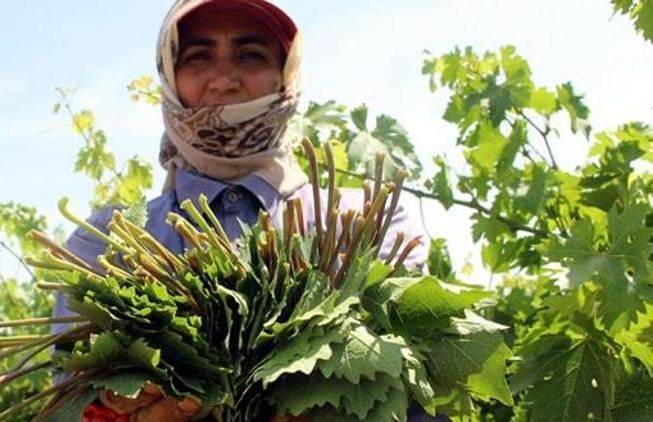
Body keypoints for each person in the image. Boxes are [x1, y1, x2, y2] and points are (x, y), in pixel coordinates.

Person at [53, 0, 429, 420]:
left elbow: (407, 385)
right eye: (199, 55)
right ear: (169, 73)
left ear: (286, 73)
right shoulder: (107, 242)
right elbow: (73, 402)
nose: (224, 80)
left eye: (250, 54)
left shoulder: (369, 220)